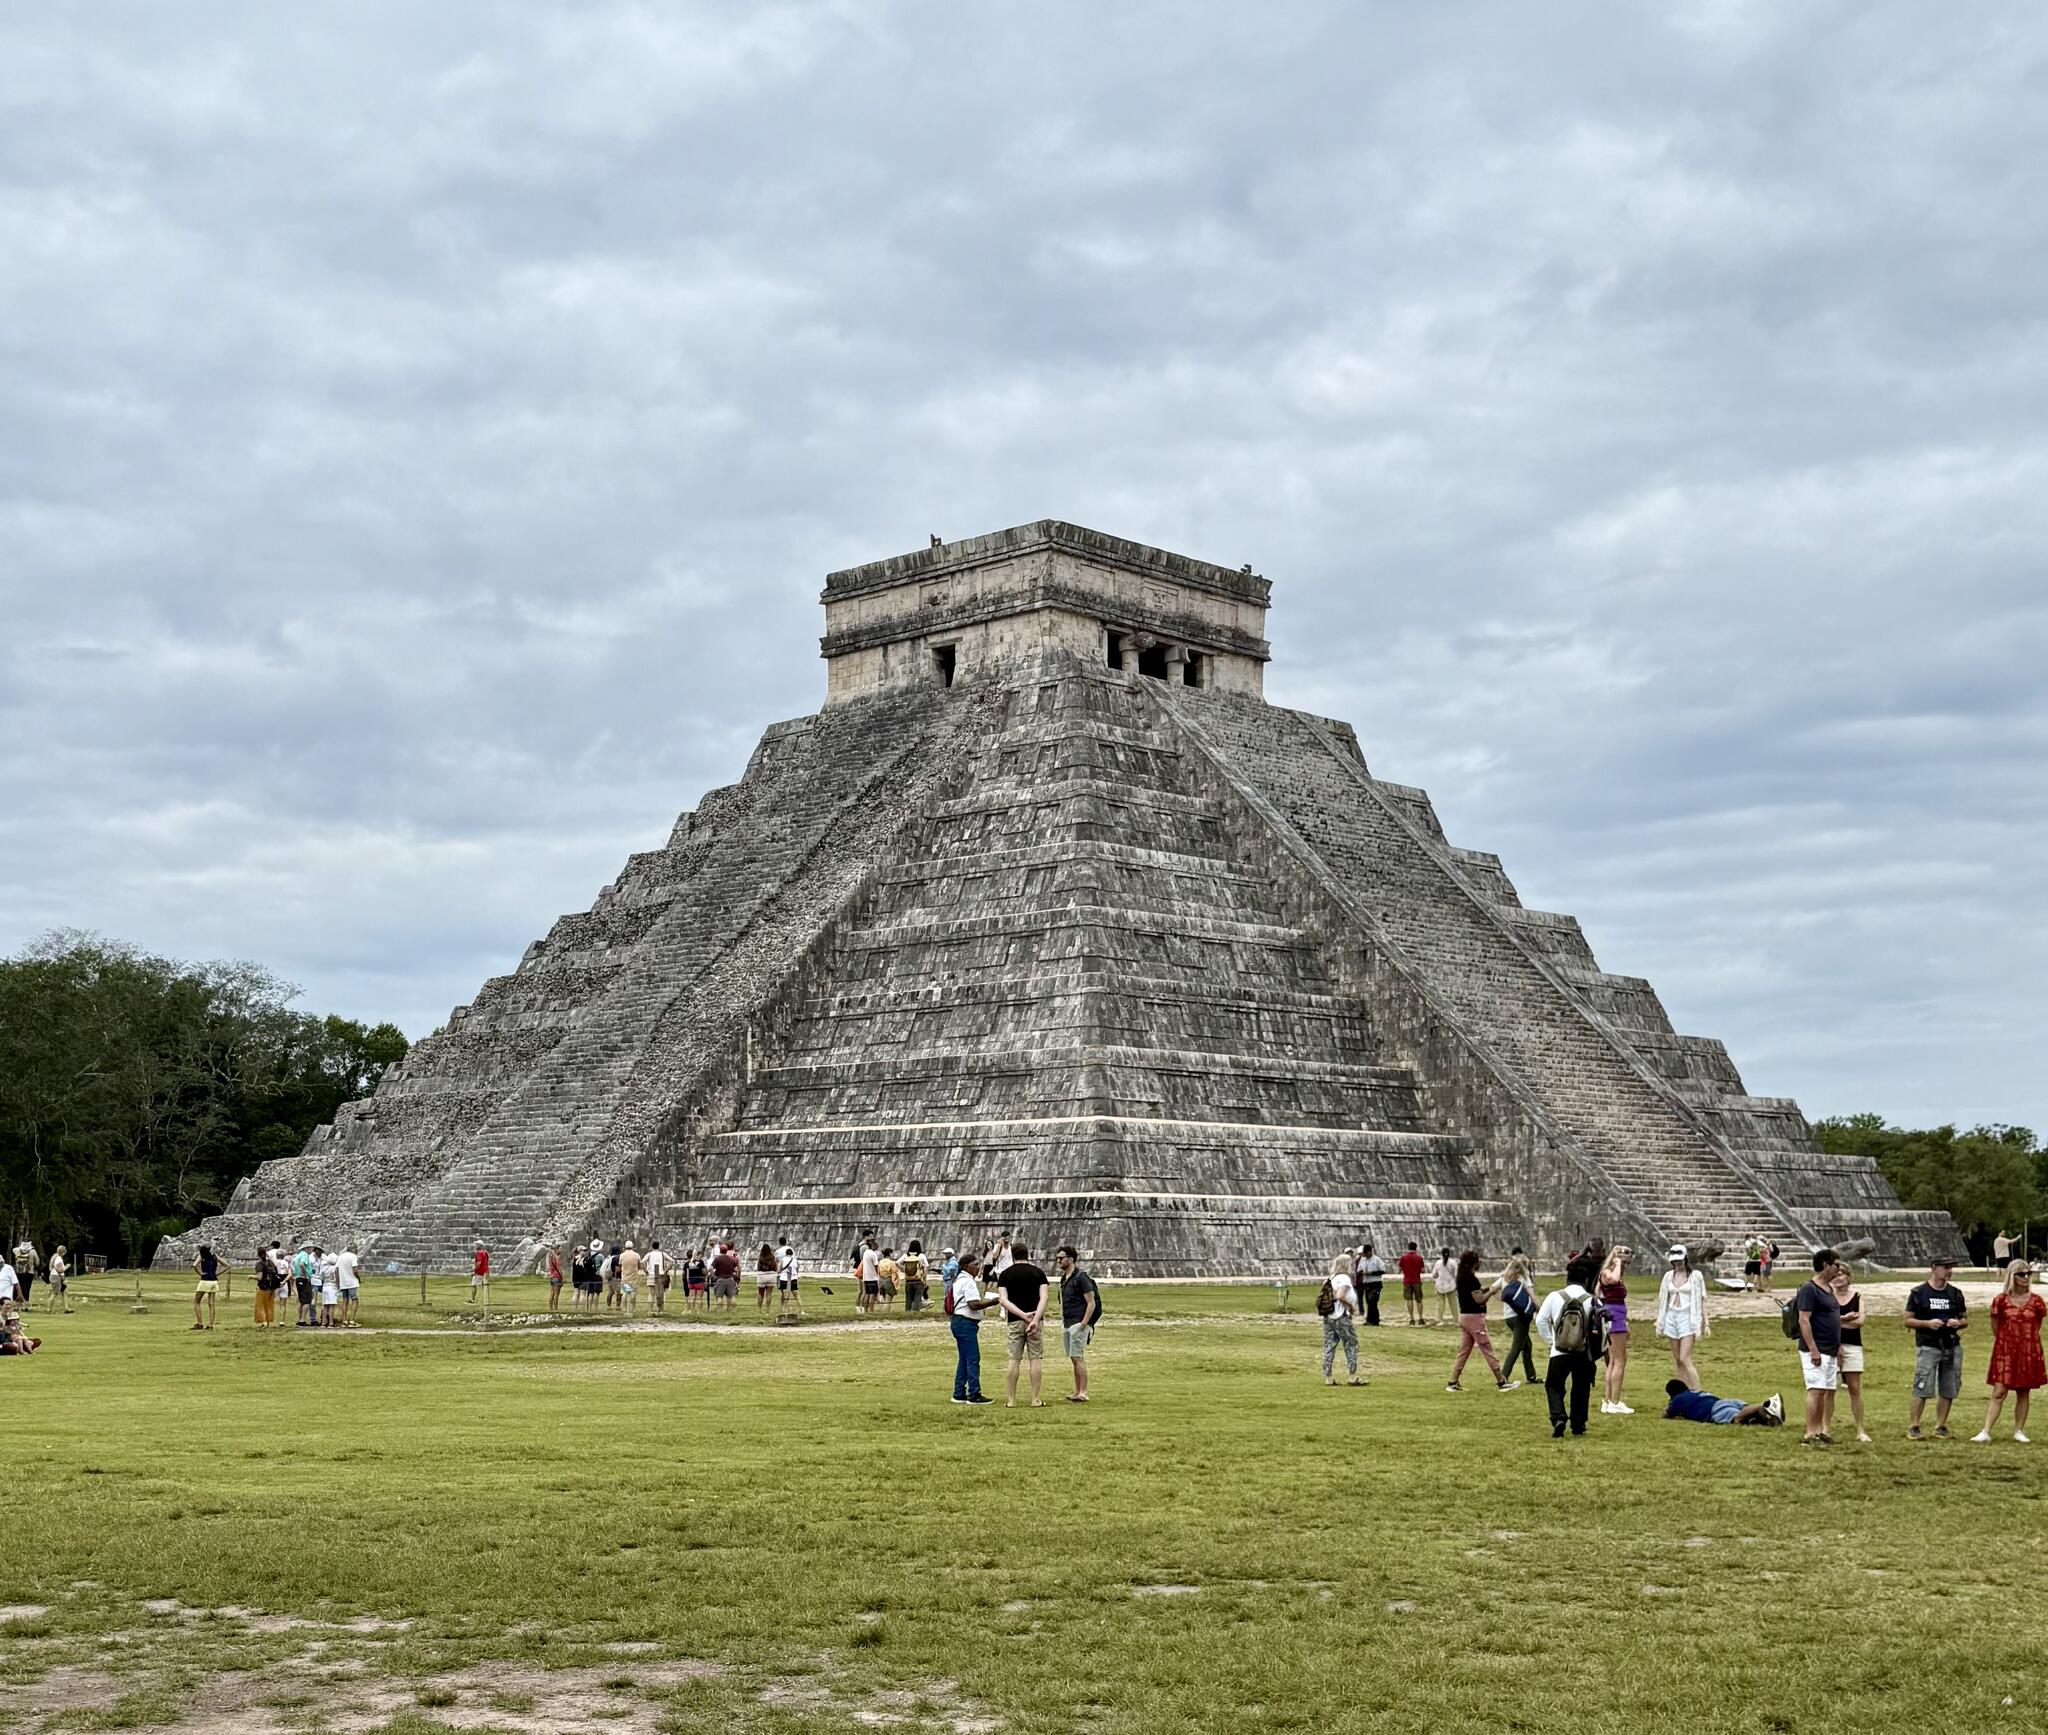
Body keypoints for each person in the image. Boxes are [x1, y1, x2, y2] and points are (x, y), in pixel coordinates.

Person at [1974, 1262, 2045, 1444]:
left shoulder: (2036, 1301)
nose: (2026, 1277)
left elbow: (2037, 1324)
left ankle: (2019, 1430)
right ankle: (1986, 1430)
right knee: (1999, 1391)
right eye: (2021, 1274)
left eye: (2028, 1274)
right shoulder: (2001, 1300)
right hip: (2005, 1351)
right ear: (2012, 1276)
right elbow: (1995, 1326)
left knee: (2024, 1391)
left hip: (2028, 1351)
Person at [1537, 1254, 1604, 1438]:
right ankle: (1578, 1424)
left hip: (1559, 1351)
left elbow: (1540, 1320)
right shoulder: (1592, 1300)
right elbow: (1603, 1327)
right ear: (1586, 1280)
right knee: (1581, 1387)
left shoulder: (1554, 1296)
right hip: (1583, 1352)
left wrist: (1552, 1341)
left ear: (1567, 1279)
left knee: (1554, 1385)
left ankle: (1558, 1416)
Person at [1905, 1255, 1969, 1440]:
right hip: (1928, 1345)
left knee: (1949, 1386)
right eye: (1945, 1267)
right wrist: (1927, 1324)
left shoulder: (1955, 1293)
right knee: (1922, 1385)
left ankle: (1940, 1426)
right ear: (1934, 1268)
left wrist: (1958, 1323)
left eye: (1951, 1267)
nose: (1949, 1271)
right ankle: (1914, 1426)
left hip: (1951, 1345)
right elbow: (1907, 1319)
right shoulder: (1919, 1292)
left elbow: (1965, 1319)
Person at [1446, 1249, 1518, 1392]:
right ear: (1473, 1262)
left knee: (1464, 1350)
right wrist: (1491, 1292)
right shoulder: (1471, 1279)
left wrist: (1486, 1289)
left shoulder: (1462, 1277)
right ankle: (1501, 1381)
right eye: (1478, 1259)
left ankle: (1453, 1381)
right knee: (1487, 1348)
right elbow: (1479, 1299)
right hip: (1474, 1318)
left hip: (1464, 1317)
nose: (1480, 1262)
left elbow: (1474, 1293)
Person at [1794, 1249, 1844, 1445]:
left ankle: (1820, 1430)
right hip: (1816, 1349)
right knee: (1815, 1390)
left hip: (1830, 1349)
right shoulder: (1809, 1289)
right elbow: (1803, 1320)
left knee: (1824, 1390)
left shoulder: (1829, 1289)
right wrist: (1813, 1349)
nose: (1839, 1269)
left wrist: (1837, 1347)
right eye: (1836, 1265)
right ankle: (1810, 1432)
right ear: (1825, 1265)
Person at [994, 1242, 1050, 1407]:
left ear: (1012, 1255)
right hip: (1035, 1319)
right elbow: (1044, 1298)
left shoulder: (1005, 1275)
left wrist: (1021, 1315)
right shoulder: (1038, 1273)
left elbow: (1003, 1300)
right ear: (1028, 1255)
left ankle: (1011, 1400)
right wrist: (1034, 1319)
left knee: (1014, 1359)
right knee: (1035, 1359)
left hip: (1014, 1321)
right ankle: (1035, 1399)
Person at [1656, 1246, 1710, 1390]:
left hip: (1688, 1317)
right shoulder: (1668, 1276)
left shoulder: (1695, 1276)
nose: (1677, 1264)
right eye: (1675, 1261)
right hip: (1672, 1317)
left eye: (1680, 1261)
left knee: (1685, 1358)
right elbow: (1663, 1300)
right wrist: (1660, 1322)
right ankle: (1682, 1393)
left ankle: (1698, 1391)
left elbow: (1702, 1299)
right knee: (1678, 1360)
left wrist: (1706, 1323)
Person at [1830, 1261, 1872, 1443]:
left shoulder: (1857, 1296)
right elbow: (1823, 1320)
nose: (1838, 1278)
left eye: (1841, 1274)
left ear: (1848, 1276)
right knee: (1828, 1389)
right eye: (1834, 1275)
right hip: (1831, 1346)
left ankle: (1860, 1429)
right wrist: (1844, 1320)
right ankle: (1825, 1427)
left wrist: (1836, 1322)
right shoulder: (1827, 1297)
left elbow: (1860, 1322)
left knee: (1854, 1388)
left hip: (1853, 1345)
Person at [948, 1251, 998, 1404]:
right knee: (972, 1359)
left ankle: (959, 1393)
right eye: (974, 1265)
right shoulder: (968, 1282)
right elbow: (973, 1304)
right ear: (965, 1267)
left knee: (964, 1358)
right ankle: (974, 1393)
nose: (978, 1268)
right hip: (966, 1323)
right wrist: (992, 1302)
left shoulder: (958, 1281)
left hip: (957, 1321)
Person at [1054, 1246, 1100, 1402]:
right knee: (1073, 1357)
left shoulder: (1081, 1277)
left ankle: (1083, 1392)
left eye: (1061, 1258)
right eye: (1057, 1258)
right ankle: (1077, 1391)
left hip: (1078, 1322)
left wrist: (1083, 1324)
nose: (1058, 1261)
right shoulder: (1064, 1278)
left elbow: (1091, 1303)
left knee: (1078, 1357)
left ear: (1071, 1259)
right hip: (1068, 1322)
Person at [1598, 1246, 1635, 1414]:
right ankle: (1615, 1401)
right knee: (1620, 1359)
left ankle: (1608, 1399)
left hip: (1616, 1316)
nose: (1625, 1266)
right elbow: (1612, 1280)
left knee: (1613, 1360)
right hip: (1614, 1317)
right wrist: (1617, 1264)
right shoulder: (1609, 1273)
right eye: (1624, 1262)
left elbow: (1598, 1291)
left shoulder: (1607, 1274)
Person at [1320, 1253, 1365, 1387]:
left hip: (1329, 1316)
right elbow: (1340, 1295)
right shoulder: (1344, 1278)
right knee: (1351, 1344)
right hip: (1341, 1316)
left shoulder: (1330, 1278)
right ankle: (1352, 1375)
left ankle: (1328, 1376)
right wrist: (1350, 1307)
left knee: (1329, 1345)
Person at [1662, 1379, 1785, 1427]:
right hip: (1722, 1401)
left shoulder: (1678, 1399)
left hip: (1714, 1410)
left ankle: (1767, 1405)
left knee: (1736, 1418)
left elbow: (1667, 1414)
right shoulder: (1694, 1392)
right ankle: (1764, 1418)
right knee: (1746, 1416)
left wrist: (1670, 1406)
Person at [1499, 1256, 1539, 1386]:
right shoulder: (1524, 1279)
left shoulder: (1503, 1279)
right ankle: (1503, 1376)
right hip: (1521, 1317)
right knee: (1516, 1347)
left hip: (1508, 1317)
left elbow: (1493, 1290)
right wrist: (1541, 1310)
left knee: (1527, 1345)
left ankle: (1531, 1375)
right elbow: (1532, 1297)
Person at [192, 1244, 223, 1331]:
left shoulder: (202, 1255)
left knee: (197, 1301)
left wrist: (200, 1273)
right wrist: (218, 1273)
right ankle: (210, 1324)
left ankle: (199, 1323)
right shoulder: (214, 1256)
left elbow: (194, 1265)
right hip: (214, 1281)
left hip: (205, 1281)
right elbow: (227, 1265)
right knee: (211, 1303)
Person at [1397, 1243, 1426, 1326]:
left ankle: (1412, 1319)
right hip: (1416, 1280)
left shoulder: (1403, 1258)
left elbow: (1399, 1270)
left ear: (1408, 1248)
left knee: (1409, 1299)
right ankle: (1420, 1318)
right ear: (1416, 1248)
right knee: (1419, 1299)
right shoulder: (1419, 1258)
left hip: (1407, 1280)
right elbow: (1423, 1270)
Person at [1357, 1243, 1385, 1329]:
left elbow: (1382, 1271)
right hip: (1367, 1283)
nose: (1365, 1255)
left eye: (1366, 1253)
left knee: (1372, 1300)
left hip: (1376, 1282)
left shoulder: (1377, 1260)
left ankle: (1374, 1320)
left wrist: (1371, 1273)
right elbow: (1358, 1271)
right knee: (1369, 1302)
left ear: (1370, 1252)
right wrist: (1362, 1272)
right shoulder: (1362, 1260)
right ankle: (1371, 1319)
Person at [253, 1240, 280, 1328]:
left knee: (260, 1304)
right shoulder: (271, 1263)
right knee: (269, 1304)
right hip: (271, 1286)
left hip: (263, 1286)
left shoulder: (259, 1264)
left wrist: (251, 1277)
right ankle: (268, 1320)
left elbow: (259, 1277)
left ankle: (263, 1321)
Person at [336, 1243, 361, 1327]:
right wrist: (358, 1279)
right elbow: (355, 1270)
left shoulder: (341, 1257)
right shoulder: (353, 1256)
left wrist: (338, 1282)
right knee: (355, 1300)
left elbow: (336, 1269)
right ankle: (352, 1320)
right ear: (353, 1249)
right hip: (352, 1282)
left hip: (343, 1282)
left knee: (345, 1300)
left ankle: (344, 1320)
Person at [712, 1242, 741, 1312]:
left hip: (720, 1279)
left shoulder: (717, 1259)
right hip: (730, 1279)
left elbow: (711, 1268)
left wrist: (712, 1275)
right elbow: (736, 1269)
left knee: (719, 1296)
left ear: (720, 1251)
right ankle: (733, 1309)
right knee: (732, 1296)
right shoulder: (731, 1259)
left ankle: (719, 1309)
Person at [901, 1241, 929, 1312]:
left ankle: (907, 1311)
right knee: (917, 1297)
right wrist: (925, 1279)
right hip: (918, 1279)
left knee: (908, 1298)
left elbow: (897, 1263)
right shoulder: (921, 1256)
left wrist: (904, 1270)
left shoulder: (906, 1256)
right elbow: (925, 1267)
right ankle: (915, 1312)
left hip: (908, 1280)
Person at [857, 1236, 883, 1314]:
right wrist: (878, 1274)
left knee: (867, 1294)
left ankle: (865, 1310)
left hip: (866, 1277)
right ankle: (871, 1310)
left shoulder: (866, 1253)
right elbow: (876, 1266)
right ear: (873, 1245)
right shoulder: (873, 1254)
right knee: (872, 1295)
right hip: (873, 1278)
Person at [1431, 1248, 1457, 1324]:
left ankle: (1439, 1319)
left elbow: (1434, 1275)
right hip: (1451, 1285)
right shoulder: (1453, 1263)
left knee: (1440, 1304)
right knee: (1453, 1304)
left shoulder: (1438, 1263)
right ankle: (1456, 1319)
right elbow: (1456, 1275)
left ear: (1441, 1254)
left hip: (1440, 1286)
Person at [775, 1236, 799, 1313]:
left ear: (779, 1242)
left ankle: (783, 1308)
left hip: (782, 1274)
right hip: (792, 1274)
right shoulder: (791, 1249)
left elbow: (776, 1262)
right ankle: (797, 1309)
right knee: (794, 1292)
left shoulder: (777, 1252)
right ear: (786, 1241)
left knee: (782, 1292)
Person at [46, 1245, 71, 1314]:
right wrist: (67, 1267)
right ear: (63, 1252)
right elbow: (60, 1270)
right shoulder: (58, 1259)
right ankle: (49, 1309)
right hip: (56, 1277)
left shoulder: (54, 1256)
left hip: (57, 1277)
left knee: (64, 1291)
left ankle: (67, 1308)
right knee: (55, 1293)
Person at [13, 1242, 37, 1309]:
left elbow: (13, 1249)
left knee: (18, 1287)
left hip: (19, 1271)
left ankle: (17, 1305)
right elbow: (37, 1262)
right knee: (27, 1288)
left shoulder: (17, 1250)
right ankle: (25, 1305)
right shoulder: (33, 1252)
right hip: (29, 1272)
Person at [754, 1244, 776, 1310]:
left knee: (760, 1293)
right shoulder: (772, 1257)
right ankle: (767, 1309)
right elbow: (775, 1267)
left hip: (762, 1276)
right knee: (769, 1293)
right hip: (771, 1275)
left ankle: (759, 1309)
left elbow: (758, 1267)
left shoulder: (760, 1257)